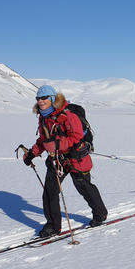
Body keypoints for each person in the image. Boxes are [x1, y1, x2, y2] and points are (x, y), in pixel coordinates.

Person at [23, 85, 108, 237]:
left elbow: (76, 137)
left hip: (76, 157)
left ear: (52, 98)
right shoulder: (43, 117)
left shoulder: (68, 115)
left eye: (44, 98)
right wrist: (32, 153)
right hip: (57, 159)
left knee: (84, 187)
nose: (40, 101)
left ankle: (100, 214)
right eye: (38, 98)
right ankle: (52, 226)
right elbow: (43, 140)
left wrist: (56, 145)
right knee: (50, 191)